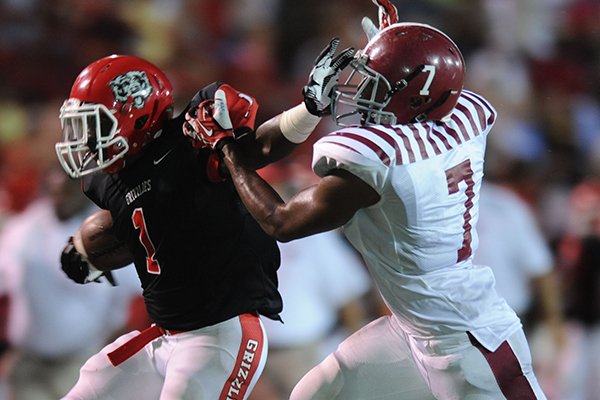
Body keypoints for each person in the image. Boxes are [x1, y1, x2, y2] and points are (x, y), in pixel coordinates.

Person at [186, 2, 548, 398]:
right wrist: (393, 45)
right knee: (316, 393)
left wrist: (226, 150)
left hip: (468, 340)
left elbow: (281, 221)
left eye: (375, 87)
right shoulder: (460, 115)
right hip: (414, 326)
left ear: (414, 100)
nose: (359, 96)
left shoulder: (386, 165)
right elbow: (433, 72)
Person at [54, 37, 354, 399]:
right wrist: (87, 251)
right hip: (164, 336)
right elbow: (138, 219)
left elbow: (259, 146)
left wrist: (308, 109)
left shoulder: (187, 141)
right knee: (88, 387)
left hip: (220, 334)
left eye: (96, 126)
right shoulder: (106, 181)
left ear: (139, 115)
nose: (86, 140)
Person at [0, 166, 141, 400]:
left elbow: (131, 298)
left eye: (68, 190)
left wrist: (107, 354)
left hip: (82, 359)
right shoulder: (23, 231)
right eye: (56, 191)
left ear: (84, 189)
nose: (61, 197)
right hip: (30, 359)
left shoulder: (106, 233)